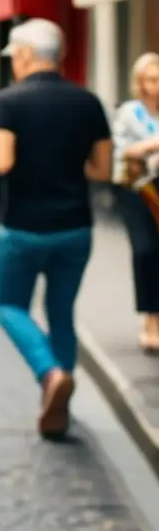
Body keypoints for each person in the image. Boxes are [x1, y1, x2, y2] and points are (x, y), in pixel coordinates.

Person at [0, 19, 112, 439]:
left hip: (22, 226)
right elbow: (102, 168)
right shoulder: (89, 101)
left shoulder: (8, 102)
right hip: (75, 226)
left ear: (24, 55)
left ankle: (50, 374)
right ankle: (60, 404)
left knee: (9, 306)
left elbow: (1, 162)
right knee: (62, 313)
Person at [110, 52, 159, 352]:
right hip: (138, 190)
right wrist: (152, 146)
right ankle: (150, 319)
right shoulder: (130, 112)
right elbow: (122, 150)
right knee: (146, 251)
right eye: (152, 80)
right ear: (139, 83)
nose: (156, 86)